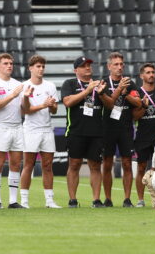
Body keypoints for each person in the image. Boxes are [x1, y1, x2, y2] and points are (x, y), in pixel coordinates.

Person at [61, 56, 110, 208]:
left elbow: (110, 106)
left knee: (95, 166)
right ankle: (73, 200)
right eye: (83, 66)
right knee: (74, 164)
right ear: (76, 70)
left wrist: (101, 94)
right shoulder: (69, 83)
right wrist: (87, 91)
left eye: (89, 65)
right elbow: (68, 102)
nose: (87, 68)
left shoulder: (100, 84)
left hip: (96, 132)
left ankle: (96, 199)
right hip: (76, 131)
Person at [100, 52, 141, 207]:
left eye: (121, 64)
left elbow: (138, 103)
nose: (119, 67)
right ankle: (108, 199)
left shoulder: (129, 83)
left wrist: (126, 94)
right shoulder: (103, 83)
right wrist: (119, 92)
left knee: (127, 163)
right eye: (116, 64)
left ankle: (127, 198)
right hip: (108, 128)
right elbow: (108, 103)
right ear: (109, 66)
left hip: (125, 128)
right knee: (107, 163)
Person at [20, 55, 61, 208]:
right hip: (30, 130)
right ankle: (24, 201)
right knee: (28, 165)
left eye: (43, 66)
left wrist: (51, 105)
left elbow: (55, 110)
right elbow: (25, 111)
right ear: (30, 68)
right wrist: (44, 105)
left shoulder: (50, 86)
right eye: (38, 66)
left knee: (48, 165)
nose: (41, 69)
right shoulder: (24, 86)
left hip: (46, 129)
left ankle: (49, 201)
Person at [0, 53, 25, 209]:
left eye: (11, 63)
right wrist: (12, 95)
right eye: (5, 63)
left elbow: (23, 107)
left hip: (17, 126)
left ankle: (13, 201)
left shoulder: (18, 83)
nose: (9, 66)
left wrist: (27, 98)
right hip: (1, 126)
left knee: (16, 163)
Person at [132, 63, 155, 207]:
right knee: (141, 167)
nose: (151, 75)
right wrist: (144, 106)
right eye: (147, 72)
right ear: (141, 76)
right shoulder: (136, 94)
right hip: (142, 136)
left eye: (153, 72)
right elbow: (134, 116)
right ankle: (140, 199)